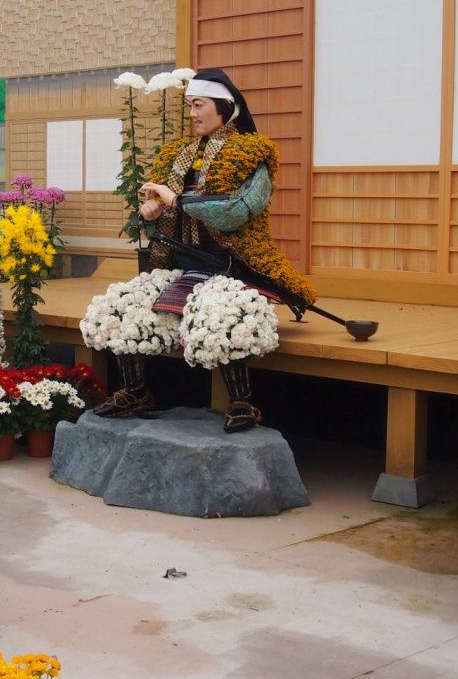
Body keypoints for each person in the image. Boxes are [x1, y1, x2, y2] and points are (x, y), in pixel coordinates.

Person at [79, 68, 316, 433]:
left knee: (218, 314)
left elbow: (236, 212)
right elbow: (158, 217)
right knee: (122, 305)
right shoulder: (178, 154)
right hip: (185, 266)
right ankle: (135, 391)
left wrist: (177, 200)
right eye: (190, 105)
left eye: (199, 104)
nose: (192, 113)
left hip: (233, 266)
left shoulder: (253, 153)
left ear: (225, 106)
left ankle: (243, 402)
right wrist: (151, 214)